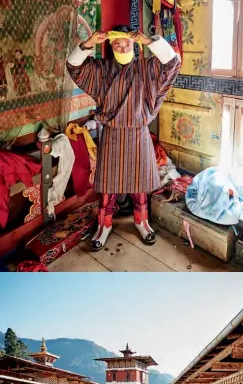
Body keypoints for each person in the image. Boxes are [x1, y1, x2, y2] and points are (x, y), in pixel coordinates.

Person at [66, 27, 180, 251]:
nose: (122, 47)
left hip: (139, 134)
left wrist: (148, 41)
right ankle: (104, 224)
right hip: (111, 135)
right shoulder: (101, 69)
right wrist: (90, 41)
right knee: (109, 186)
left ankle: (142, 221)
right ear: (110, 46)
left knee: (139, 184)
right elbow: (74, 67)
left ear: (134, 45)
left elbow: (173, 63)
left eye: (127, 43)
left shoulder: (147, 68)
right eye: (117, 43)